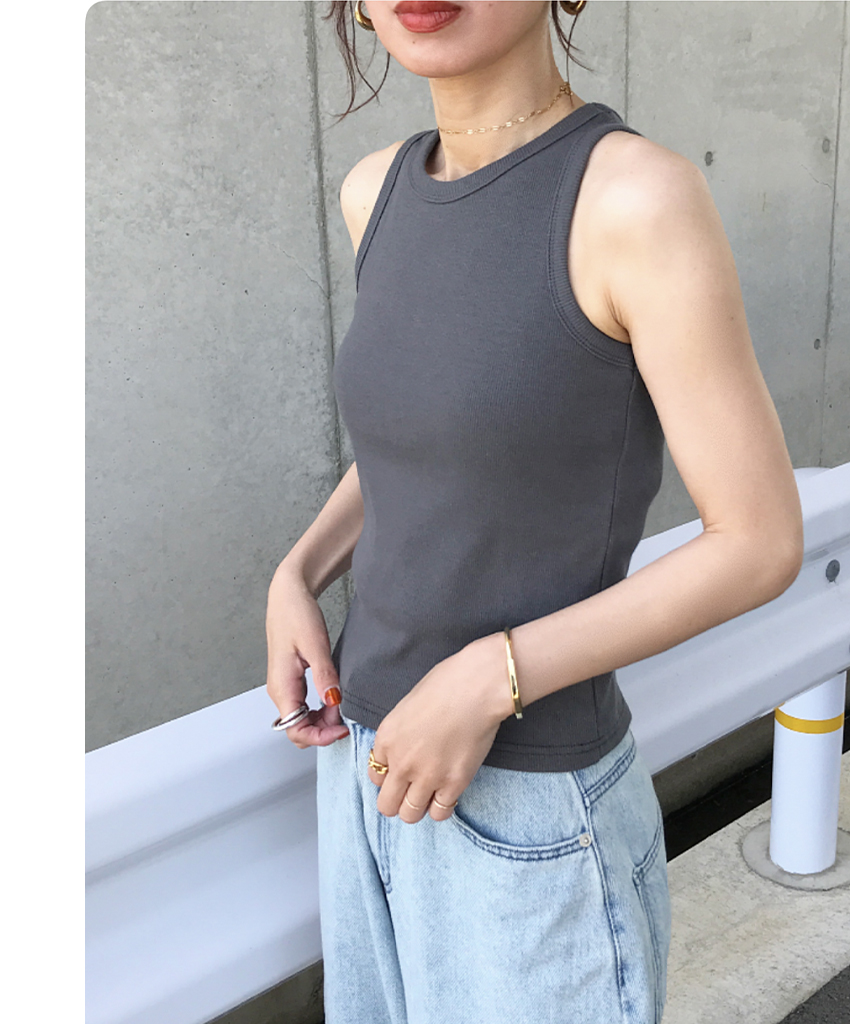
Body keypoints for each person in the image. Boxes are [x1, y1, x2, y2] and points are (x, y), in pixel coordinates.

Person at [264, 2, 804, 1022]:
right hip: (365, 770)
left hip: (529, 811)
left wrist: (488, 677)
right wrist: (299, 570)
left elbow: (759, 541)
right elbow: (430, 442)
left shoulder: (631, 198)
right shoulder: (374, 190)